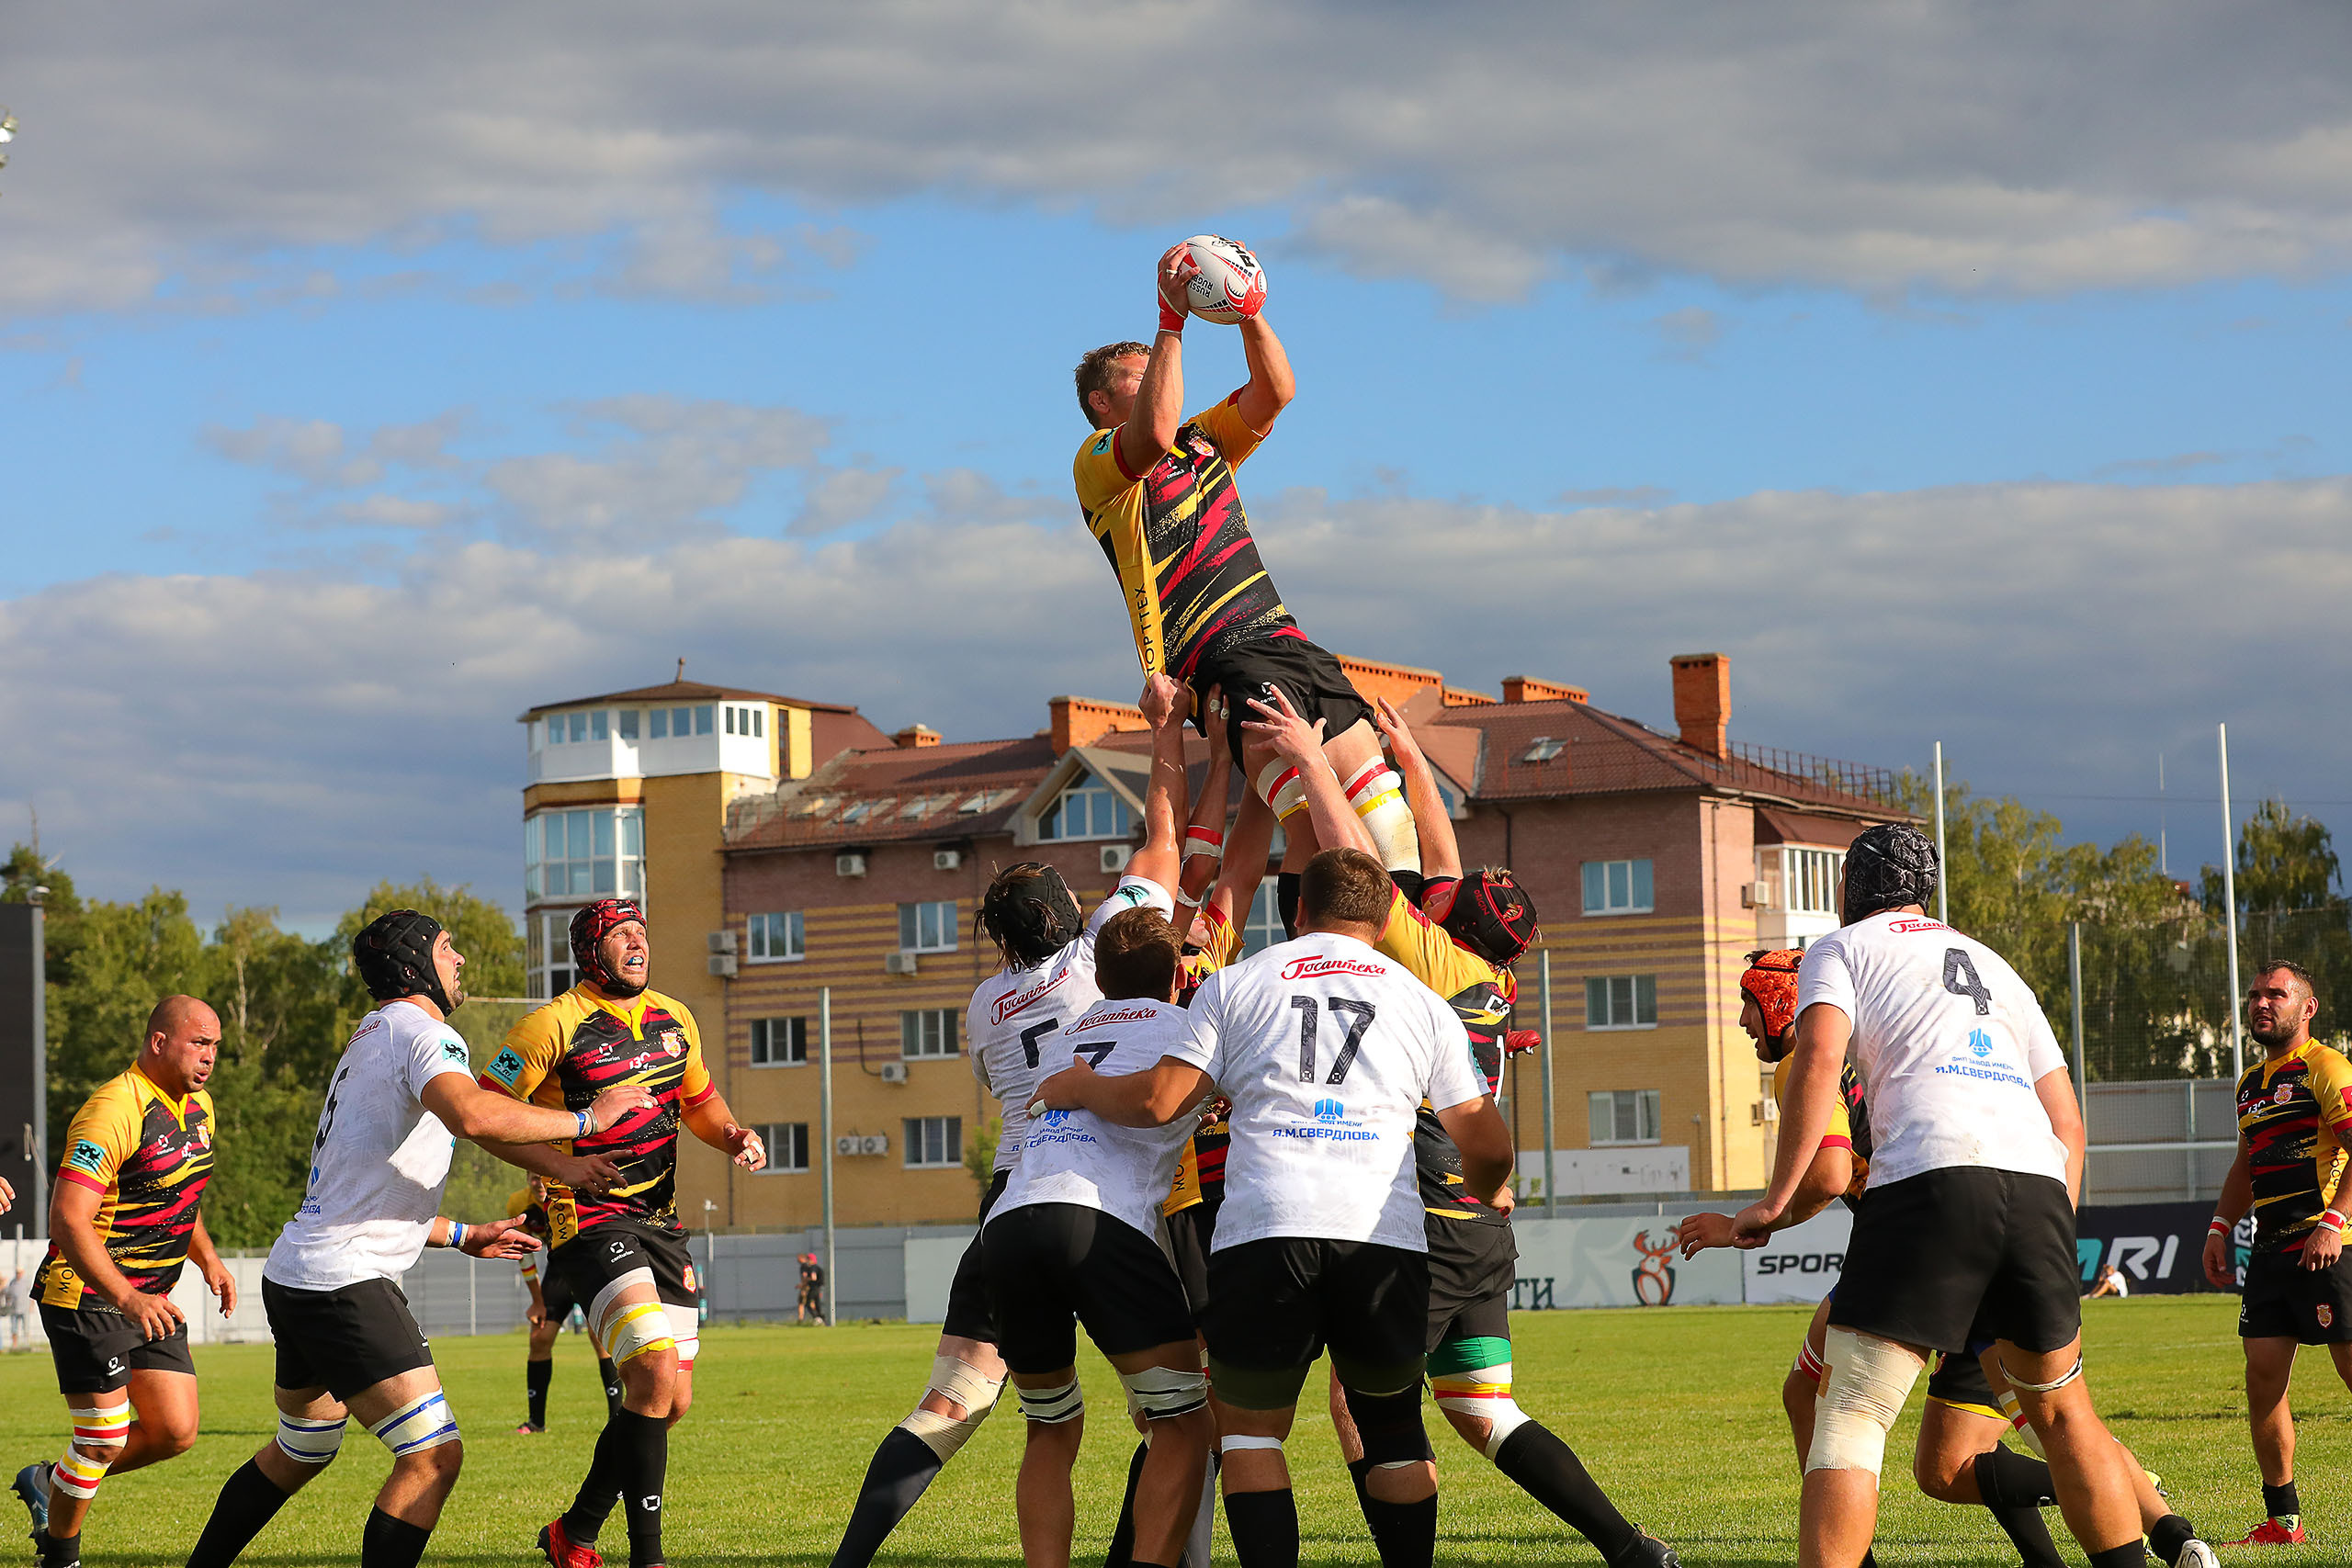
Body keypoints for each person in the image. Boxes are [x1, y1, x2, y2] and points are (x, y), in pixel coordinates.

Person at [1250, 690, 1673, 1565]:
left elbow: (1353, 858)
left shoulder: (1431, 960)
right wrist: (1411, 766)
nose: (1439, 892)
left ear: (1452, 922)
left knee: (1360, 1400)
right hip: (1483, 1221)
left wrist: (1310, 758)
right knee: (1484, 1409)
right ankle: (1629, 1548)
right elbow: (1439, 860)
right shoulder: (1490, 973)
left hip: (1436, 1215)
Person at [1037, 845, 1514, 1568]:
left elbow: (1160, 1099)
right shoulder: (1419, 996)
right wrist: (1487, 1182)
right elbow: (1485, 1136)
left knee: (1254, 1434)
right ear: (1386, 915)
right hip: (1379, 1236)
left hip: (1265, 1232)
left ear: (1298, 912)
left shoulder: (1236, 984)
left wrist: (1079, 1088)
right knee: (1390, 1427)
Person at [1684, 951, 2213, 1568]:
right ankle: (2171, 1533)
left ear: (1782, 1002)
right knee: (2019, 1433)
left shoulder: (1807, 1058)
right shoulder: (1908, 1036)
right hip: (2008, 1219)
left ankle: (1848, 1555)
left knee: (1817, 1395)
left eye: (1749, 1003)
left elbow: (1829, 1172)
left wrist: (1756, 1218)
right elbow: (2064, 1121)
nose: (1743, 1020)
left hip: (1922, 1240)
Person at [826, 673, 1188, 1568]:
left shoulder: (986, 1004)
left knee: (957, 1404)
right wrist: (1168, 731)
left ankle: (847, 1563)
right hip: (1096, 1191)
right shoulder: (1102, 958)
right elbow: (1166, 842)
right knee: (1171, 1408)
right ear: (1075, 918)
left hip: (1011, 1202)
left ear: (1000, 943)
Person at [1732, 824, 2150, 1568]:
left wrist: (1771, 1201)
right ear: (1924, 892)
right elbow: (2070, 1122)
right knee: (2062, 1414)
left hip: (1929, 1177)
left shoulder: (1843, 946)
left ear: (1848, 890)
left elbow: (1821, 1055)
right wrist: (2047, 1226)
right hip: (2038, 1188)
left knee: (1853, 1416)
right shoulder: (1997, 964)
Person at [180, 910, 647, 1568]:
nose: (459, 960)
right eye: (448, 948)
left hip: (299, 1272)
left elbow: (371, 1188)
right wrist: (585, 1118)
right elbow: (475, 1112)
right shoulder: (425, 1033)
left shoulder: (372, 1038)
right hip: (342, 1281)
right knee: (432, 1455)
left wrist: (464, 1232)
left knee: (304, 1447)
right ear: (415, 964)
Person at [1072, 243, 1420, 881]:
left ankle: (1424, 957)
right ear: (1101, 401)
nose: (1154, 372)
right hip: (1216, 658)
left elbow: (1276, 390)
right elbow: (1149, 434)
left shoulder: (1203, 436)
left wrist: (1249, 310)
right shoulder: (1098, 461)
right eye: (1137, 372)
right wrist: (1170, 321)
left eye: (1158, 364)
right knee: (1318, 838)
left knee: (1388, 819)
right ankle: (1334, 960)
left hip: (1284, 636)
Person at [481, 897, 764, 1568]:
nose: (638, 942)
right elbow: (487, 1110)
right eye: (621, 935)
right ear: (590, 950)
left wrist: (732, 1135)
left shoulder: (675, 1016)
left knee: (669, 1398)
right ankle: (648, 1557)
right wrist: (566, 1164)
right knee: (655, 1371)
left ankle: (573, 1531)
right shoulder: (551, 1024)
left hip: (661, 1222)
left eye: (642, 931)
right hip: (584, 1217)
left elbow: (698, 1103)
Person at [981, 908, 1217, 1568]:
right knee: (1184, 1422)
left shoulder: (1069, 1033)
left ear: (1101, 976)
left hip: (1010, 1221)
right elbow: (1170, 1095)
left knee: (1050, 1427)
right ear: (1176, 977)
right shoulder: (1189, 1025)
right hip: (1099, 1221)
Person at [10, 996, 234, 1568]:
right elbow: (67, 1218)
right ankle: (60, 1556)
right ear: (159, 1042)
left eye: (215, 1045)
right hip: (87, 1293)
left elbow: (180, 1190)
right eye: (199, 1043)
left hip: (148, 1299)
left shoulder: (201, 1105)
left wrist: (207, 1257)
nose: (210, 1057)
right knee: (105, 1437)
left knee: (174, 1432)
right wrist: (125, 1296)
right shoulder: (112, 1108)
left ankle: (47, 1480)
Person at [2199, 959, 2352, 1547]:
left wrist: (2335, 1222)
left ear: (2307, 1008)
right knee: (2263, 1381)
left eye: (2277, 995)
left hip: (2330, 1245)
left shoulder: (2327, 1068)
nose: (2262, 1003)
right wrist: (2219, 1226)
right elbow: (2247, 1164)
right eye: (2257, 995)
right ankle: (2284, 1522)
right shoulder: (2249, 1084)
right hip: (2271, 1250)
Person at [511, 1177, 616, 1436]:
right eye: (532, 1176)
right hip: (559, 1271)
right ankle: (536, 1423)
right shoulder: (519, 1205)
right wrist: (537, 1302)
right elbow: (525, 1256)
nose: (538, 1182)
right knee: (539, 1338)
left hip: (593, 1265)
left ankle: (618, 1418)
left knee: (599, 1337)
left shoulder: (575, 1191)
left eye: (542, 1174)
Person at [797, 1254, 825, 1325]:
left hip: (813, 1288)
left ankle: (817, 1318)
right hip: (819, 1288)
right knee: (818, 1305)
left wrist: (805, 1281)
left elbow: (813, 1278)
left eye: (808, 1259)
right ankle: (823, 1320)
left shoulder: (812, 1267)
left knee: (807, 1304)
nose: (807, 1261)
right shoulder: (818, 1267)